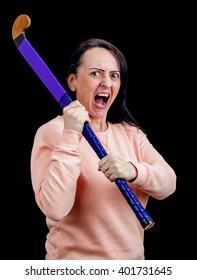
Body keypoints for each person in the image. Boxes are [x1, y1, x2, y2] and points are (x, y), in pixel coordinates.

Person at [30, 38, 176, 260]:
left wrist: (133, 171)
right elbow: (55, 209)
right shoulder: (52, 132)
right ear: (72, 81)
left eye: (114, 75)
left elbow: (168, 184)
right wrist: (71, 135)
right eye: (96, 73)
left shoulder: (131, 134)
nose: (107, 82)